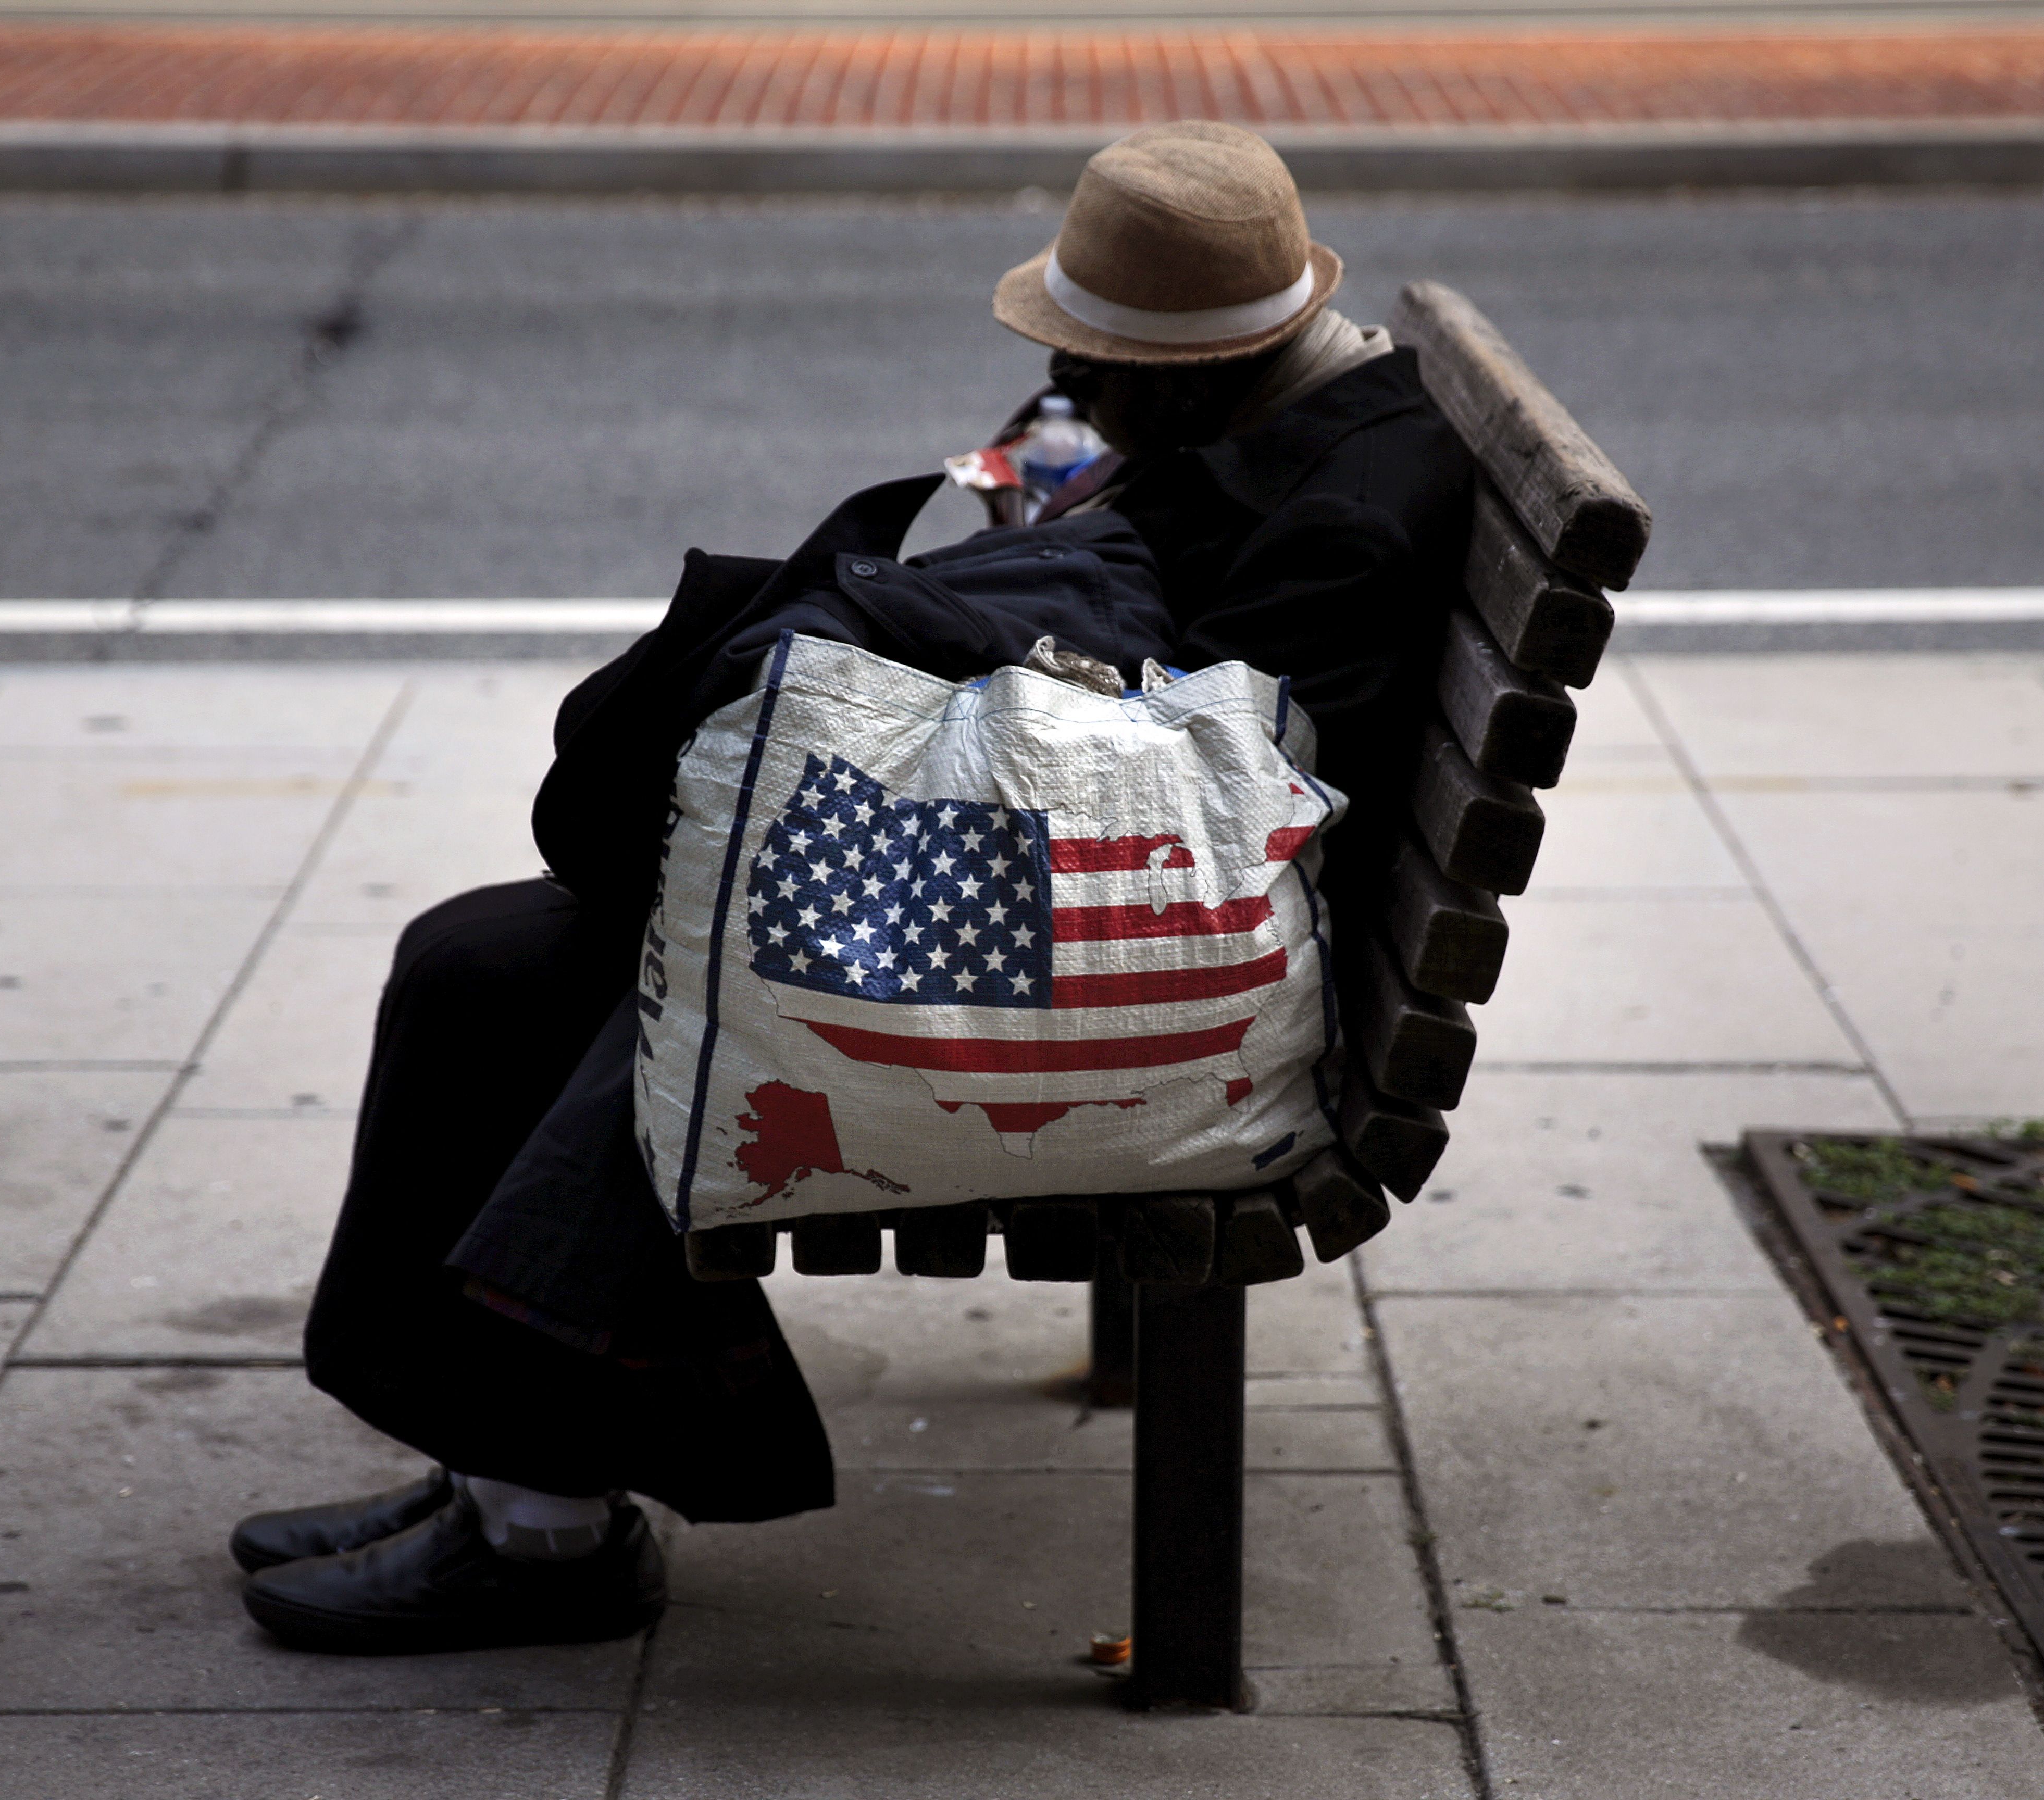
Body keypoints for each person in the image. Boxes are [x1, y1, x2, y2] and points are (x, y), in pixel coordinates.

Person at [230, 119, 1474, 1657]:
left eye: (1098, 365)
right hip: (1090, 897)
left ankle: (545, 1531)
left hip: (1137, 970)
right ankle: (498, 1470)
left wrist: (974, 639)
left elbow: (1217, 802)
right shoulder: (1286, 416)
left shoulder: (1345, 511)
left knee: (583, 985)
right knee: (476, 960)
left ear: (1205, 362)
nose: (1070, 386)